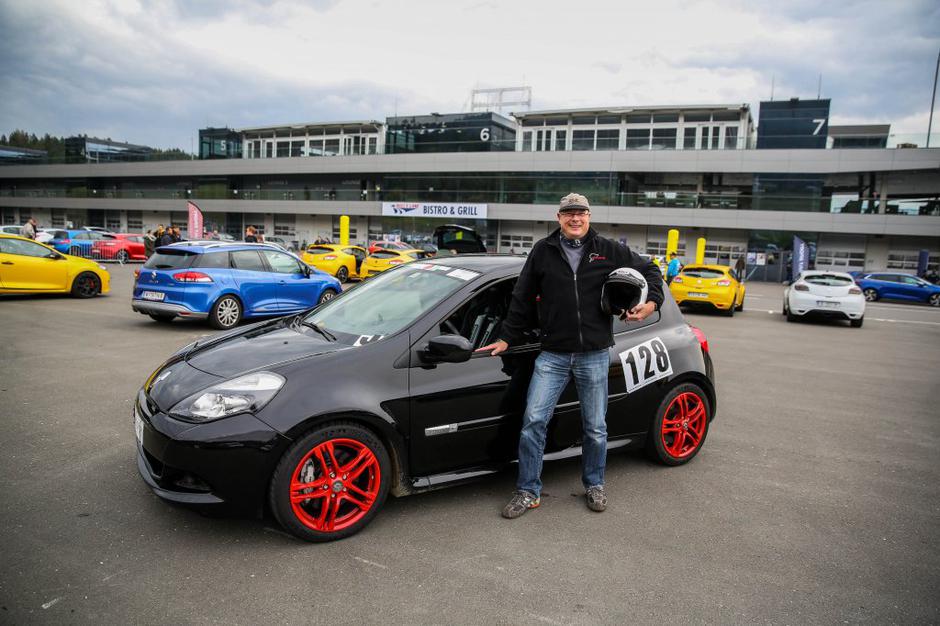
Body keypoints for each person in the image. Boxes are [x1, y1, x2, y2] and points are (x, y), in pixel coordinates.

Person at [477, 192, 663, 518]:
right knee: (534, 421)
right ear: (558, 217)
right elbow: (521, 297)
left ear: (589, 217)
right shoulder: (543, 251)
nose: (575, 218)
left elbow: (650, 270)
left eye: (581, 213)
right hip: (552, 355)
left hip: (594, 354)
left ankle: (595, 484)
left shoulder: (607, 250)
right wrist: (507, 337)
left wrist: (650, 305)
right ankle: (528, 491)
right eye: (569, 213)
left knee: (595, 426)